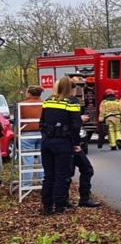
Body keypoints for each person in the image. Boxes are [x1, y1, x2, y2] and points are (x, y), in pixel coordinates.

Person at [39, 76, 82, 215]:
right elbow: (76, 125)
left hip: (47, 141)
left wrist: (46, 136)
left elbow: (41, 122)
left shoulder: (48, 101)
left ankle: (47, 206)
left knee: (49, 175)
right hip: (63, 143)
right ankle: (59, 206)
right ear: (71, 88)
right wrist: (76, 143)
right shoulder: (71, 103)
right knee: (61, 176)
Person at [70, 112, 101, 208]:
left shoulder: (51, 103)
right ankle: (84, 198)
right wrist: (79, 119)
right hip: (70, 144)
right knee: (86, 169)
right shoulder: (70, 102)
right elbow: (71, 124)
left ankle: (60, 202)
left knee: (66, 173)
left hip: (61, 142)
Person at [16, 86, 44, 190]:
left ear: (29, 93)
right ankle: (43, 181)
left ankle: (26, 185)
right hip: (41, 133)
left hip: (27, 134)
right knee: (43, 158)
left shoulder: (22, 105)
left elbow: (18, 120)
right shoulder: (43, 104)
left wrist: (17, 132)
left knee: (28, 160)